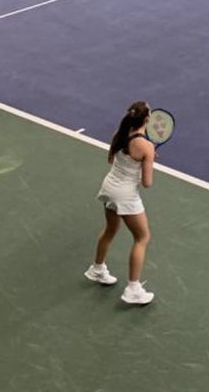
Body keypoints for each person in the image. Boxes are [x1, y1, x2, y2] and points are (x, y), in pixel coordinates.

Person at [86, 101, 156, 305]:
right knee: (142, 237)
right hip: (125, 195)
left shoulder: (120, 133)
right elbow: (147, 183)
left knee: (110, 229)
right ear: (147, 119)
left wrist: (144, 159)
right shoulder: (146, 146)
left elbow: (113, 160)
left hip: (109, 187)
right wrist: (148, 160)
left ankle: (97, 269)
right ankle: (133, 289)